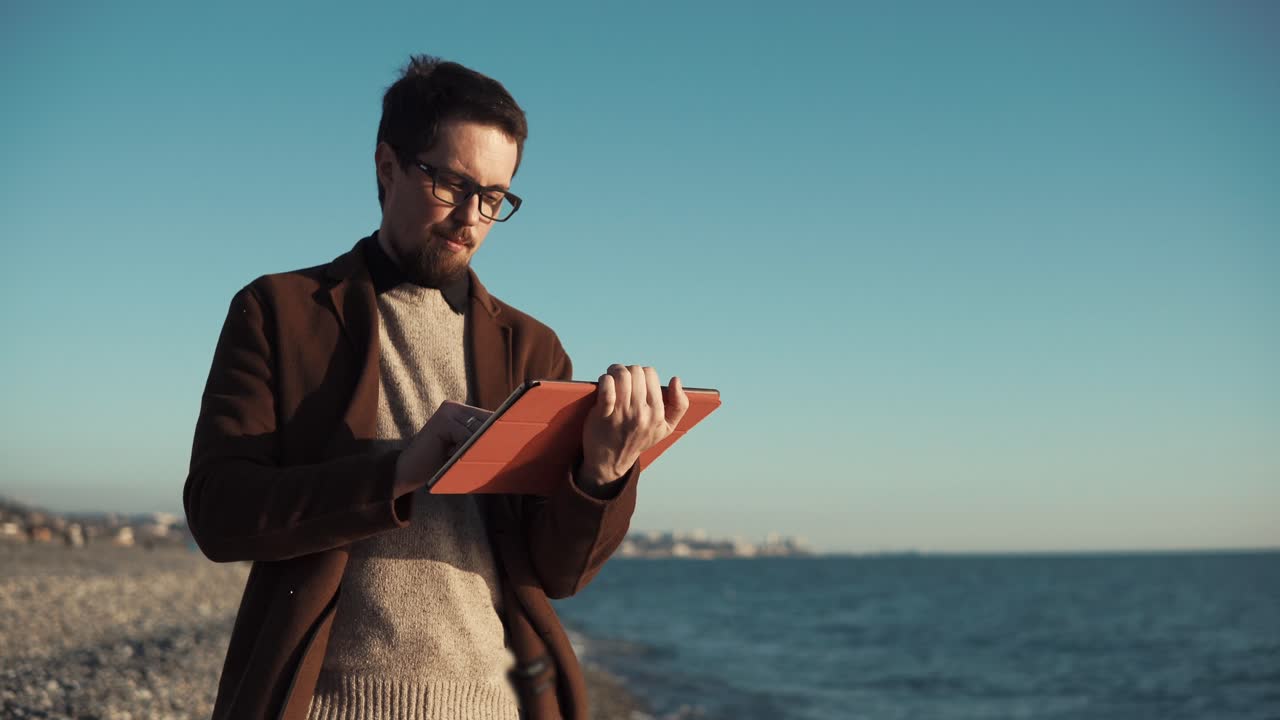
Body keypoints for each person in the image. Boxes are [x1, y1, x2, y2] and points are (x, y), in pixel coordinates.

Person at [184, 55, 688, 720]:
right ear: (387, 167)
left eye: (494, 198)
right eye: (452, 185)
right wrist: (395, 473)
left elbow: (557, 574)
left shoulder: (533, 350)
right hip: (321, 705)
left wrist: (603, 473)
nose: (471, 219)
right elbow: (219, 514)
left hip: (493, 704)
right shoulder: (278, 311)